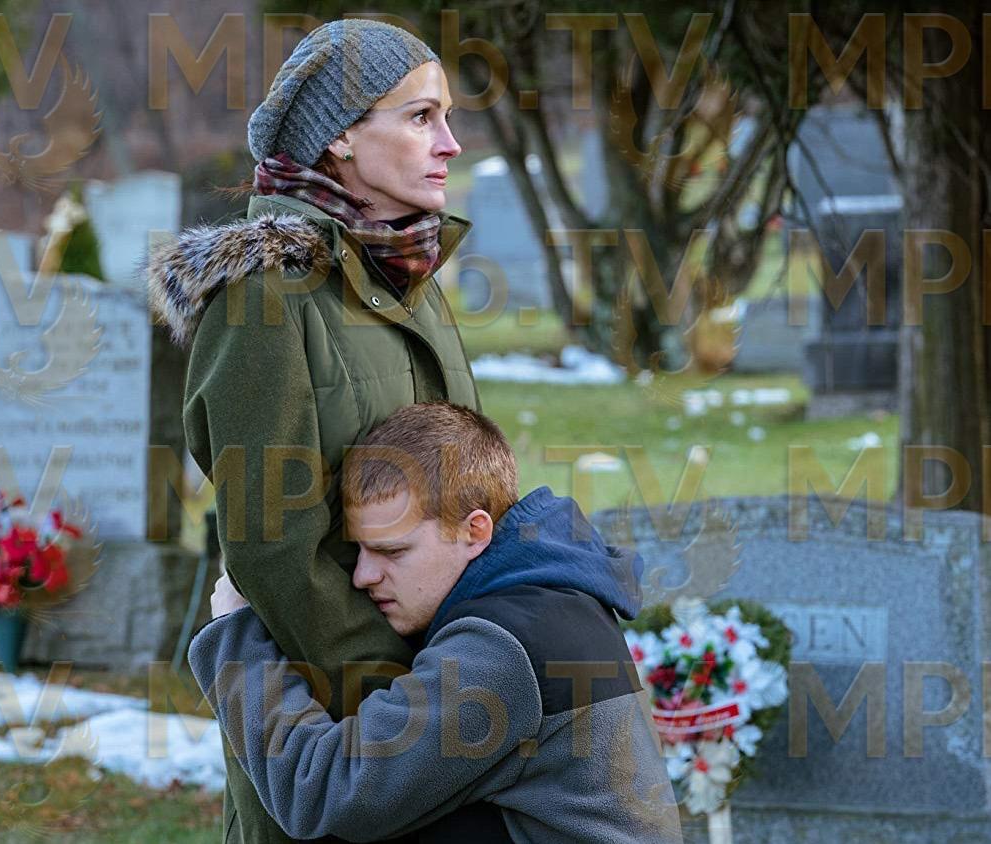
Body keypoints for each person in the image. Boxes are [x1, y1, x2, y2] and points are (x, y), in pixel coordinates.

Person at [145, 19, 479, 843]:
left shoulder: (412, 281)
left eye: (446, 117)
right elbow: (273, 544)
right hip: (331, 736)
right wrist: (403, 709)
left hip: (438, 708)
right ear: (340, 137)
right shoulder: (264, 298)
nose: (451, 143)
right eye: (421, 117)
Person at [189, 402, 683, 843]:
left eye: (392, 551)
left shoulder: (504, 649)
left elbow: (323, 793)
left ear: (474, 531)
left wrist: (236, 638)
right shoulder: (552, 598)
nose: (362, 575)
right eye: (359, 551)